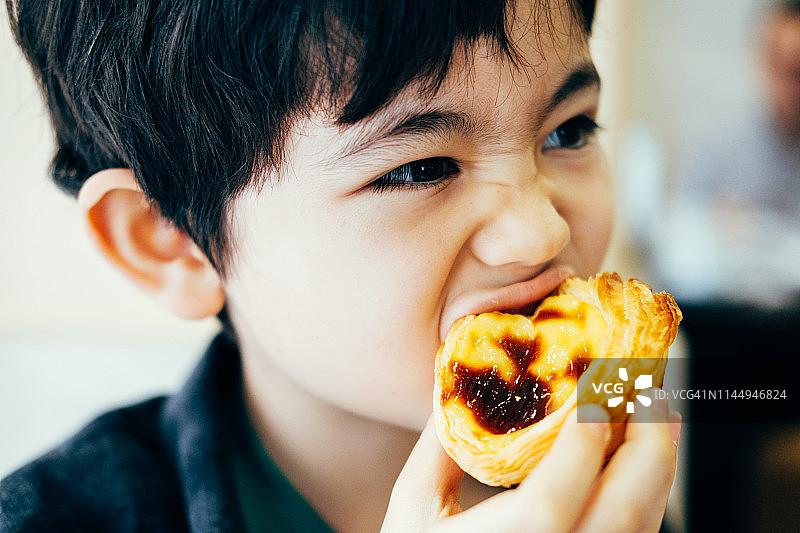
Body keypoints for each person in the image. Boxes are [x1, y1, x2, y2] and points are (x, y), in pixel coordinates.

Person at [0, 0, 681, 531]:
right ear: (171, 241)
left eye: (569, 130)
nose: (541, 230)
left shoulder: (610, 445)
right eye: (421, 168)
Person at [656, 0, 800, 308]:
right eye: (790, 70)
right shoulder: (714, 145)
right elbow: (672, 259)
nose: (795, 87)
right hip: (728, 328)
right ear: (764, 61)